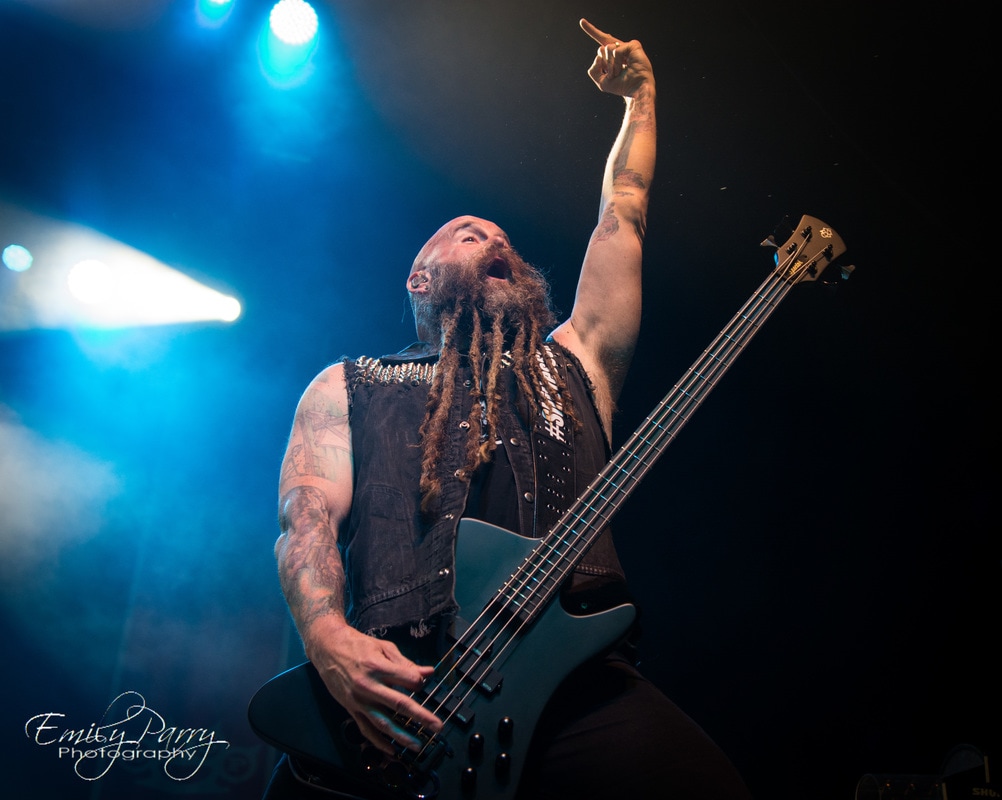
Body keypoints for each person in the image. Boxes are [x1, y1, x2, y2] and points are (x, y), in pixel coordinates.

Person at [265, 18, 752, 800]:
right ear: (419, 280)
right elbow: (307, 516)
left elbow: (624, 210)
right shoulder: (348, 385)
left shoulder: (575, 362)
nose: (494, 238)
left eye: (502, 237)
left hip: (570, 682)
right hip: (400, 695)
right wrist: (327, 639)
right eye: (468, 234)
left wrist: (642, 100)